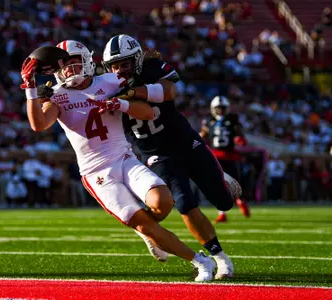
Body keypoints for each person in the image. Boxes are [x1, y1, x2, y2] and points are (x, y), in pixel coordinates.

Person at [22, 40, 216, 281]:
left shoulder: (112, 82)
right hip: (96, 173)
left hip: (125, 158)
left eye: (73, 63)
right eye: (64, 66)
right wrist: (31, 88)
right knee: (145, 224)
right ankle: (200, 261)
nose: (70, 71)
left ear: (87, 61)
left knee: (163, 201)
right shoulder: (57, 95)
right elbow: (38, 124)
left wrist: (121, 103)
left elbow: (150, 112)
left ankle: (149, 233)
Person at [100, 34, 238, 279]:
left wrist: (132, 93)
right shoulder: (107, 84)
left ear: (138, 60)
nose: (118, 70)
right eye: (114, 65)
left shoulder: (153, 68)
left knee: (225, 202)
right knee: (184, 203)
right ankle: (220, 258)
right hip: (157, 154)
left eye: (125, 63)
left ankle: (221, 178)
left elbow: (169, 91)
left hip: (185, 141)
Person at [200, 96, 251, 223]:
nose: (220, 111)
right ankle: (223, 213)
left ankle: (239, 199)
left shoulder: (231, 120)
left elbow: (241, 137)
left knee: (234, 183)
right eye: (218, 108)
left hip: (229, 156)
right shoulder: (209, 122)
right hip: (216, 156)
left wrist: (240, 139)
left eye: (222, 108)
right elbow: (201, 136)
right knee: (219, 185)